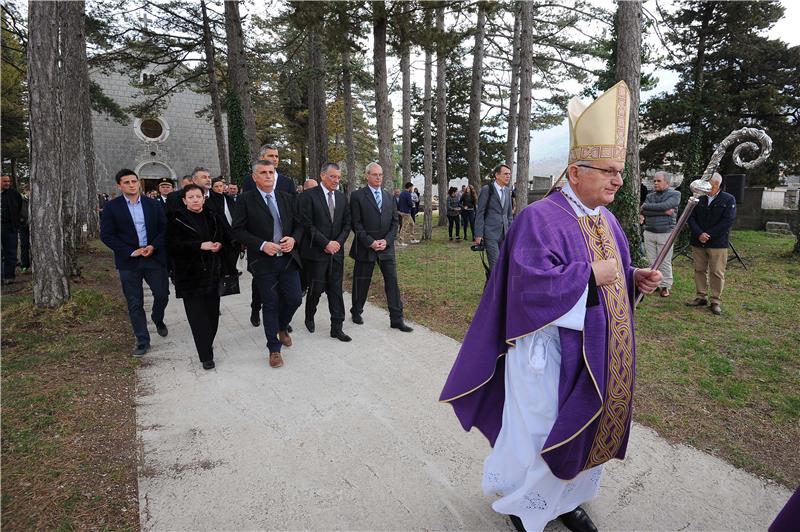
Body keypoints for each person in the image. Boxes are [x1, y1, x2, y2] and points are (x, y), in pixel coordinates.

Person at [440, 81, 662, 532]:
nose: (619, 180)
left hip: (599, 349)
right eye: (609, 171)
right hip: (548, 351)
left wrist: (634, 277)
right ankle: (527, 506)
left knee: (587, 425)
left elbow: (615, 270)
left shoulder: (608, 218)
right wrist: (587, 276)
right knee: (543, 430)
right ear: (575, 172)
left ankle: (566, 499)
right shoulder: (538, 218)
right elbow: (526, 288)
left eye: (620, 172)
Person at [232, 160, 303, 368]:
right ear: (254, 177)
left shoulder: (287, 198)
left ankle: (282, 327)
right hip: (263, 261)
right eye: (263, 172)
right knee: (270, 303)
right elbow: (237, 230)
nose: (268, 176)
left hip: (288, 259)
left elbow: (300, 225)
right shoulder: (245, 200)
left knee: (295, 298)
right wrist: (262, 245)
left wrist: (293, 239)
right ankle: (273, 348)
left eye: (271, 172)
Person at [100, 169, 170, 357]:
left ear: (139, 183)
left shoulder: (153, 205)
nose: (131, 185)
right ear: (119, 186)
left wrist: (153, 246)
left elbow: (164, 229)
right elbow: (106, 235)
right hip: (128, 261)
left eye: (134, 181)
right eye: (127, 182)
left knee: (163, 294)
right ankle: (142, 339)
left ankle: (157, 317)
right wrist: (131, 251)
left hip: (153, 257)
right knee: (134, 302)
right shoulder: (112, 207)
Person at [167, 184, 231, 370]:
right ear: (184, 200)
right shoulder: (175, 219)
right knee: (197, 317)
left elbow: (227, 237)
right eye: (191, 197)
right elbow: (172, 246)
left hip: (212, 273)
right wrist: (198, 246)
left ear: (204, 198)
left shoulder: (213, 216)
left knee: (212, 315)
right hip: (189, 276)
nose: (195, 199)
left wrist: (219, 244)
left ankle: (206, 342)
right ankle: (205, 355)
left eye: (198, 196)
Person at [349, 162, 412, 332]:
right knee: (361, 282)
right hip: (366, 247)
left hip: (386, 248)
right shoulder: (357, 196)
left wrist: (387, 241)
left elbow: (394, 222)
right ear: (367, 176)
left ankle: (397, 319)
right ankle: (356, 311)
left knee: (392, 282)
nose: (378, 177)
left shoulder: (389, 197)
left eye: (380, 175)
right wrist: (370, 241)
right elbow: (356, 223)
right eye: (375, 174)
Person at [298, 162, 352, 342]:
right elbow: (307, 224)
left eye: (338, 177)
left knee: (336, 290)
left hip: (336, 253)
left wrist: (338, 243)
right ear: (322, 175)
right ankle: (309, 315)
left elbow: (347, 224)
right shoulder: (309, 196)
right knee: (316, 289)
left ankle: (337, 327)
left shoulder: (342, 198)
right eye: (332, 176)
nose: (336, 180)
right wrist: (325, 243)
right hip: (316, 253)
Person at [686, 172, 736, 315]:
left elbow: (728, 221)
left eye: (708, 182)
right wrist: (699, 233)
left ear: (716, 184)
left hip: (717, 243)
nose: (704, 185)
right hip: (698, 240)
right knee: (699, 269)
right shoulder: (698, 198)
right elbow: (691, 217)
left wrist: (709, 235)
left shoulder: (728, 199)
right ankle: (701, 296)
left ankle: (715, 301)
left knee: (717, 272)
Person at [640, 171, 681, 297]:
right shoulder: (650, 195)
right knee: (652, 261)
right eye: (654, 181)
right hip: (649, 231)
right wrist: (663, 211)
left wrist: (649, 208)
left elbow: (668, 205)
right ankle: (654, 284)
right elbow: (644, 210)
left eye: (659, 181)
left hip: (666, 233)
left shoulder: (675, 194)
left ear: (667, 183)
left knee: (664, 261)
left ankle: (665, 286)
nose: (655, 183)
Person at [475, 164, 514, 270]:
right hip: (490, 234)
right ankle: (496, 285)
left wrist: (511, 232)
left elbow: (509, 215)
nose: (508, 176)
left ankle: (492, 286)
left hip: (505, 234)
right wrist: (478, 234)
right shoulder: (487, 190)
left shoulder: (507, 191)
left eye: (509, 174)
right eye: (505, 174)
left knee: (504, 264)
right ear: (497, 175)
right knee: (496, 265)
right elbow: (480, 212)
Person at [1, 175, 23, 284]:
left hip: (9, 227)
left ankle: (9, 276)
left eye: (8, 181)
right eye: (4, 181)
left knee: (11, 252)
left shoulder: (13, 193)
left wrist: (18, 221)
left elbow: (19, 206)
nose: (7, 183)